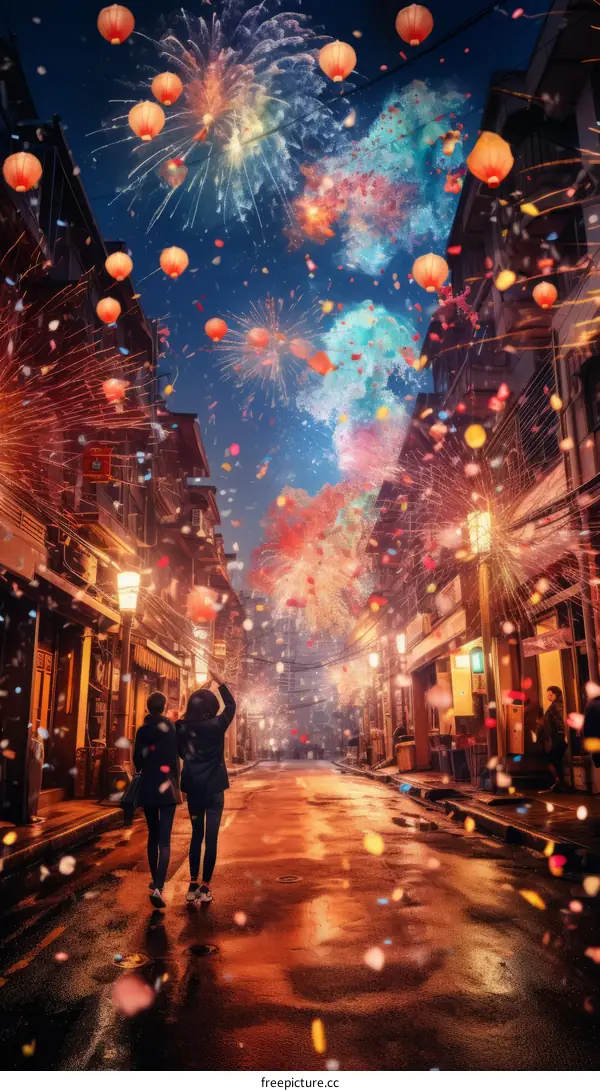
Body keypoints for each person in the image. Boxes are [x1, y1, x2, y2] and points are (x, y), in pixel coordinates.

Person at [176, 667, 236, 905]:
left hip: (194, 789)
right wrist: (221, 683)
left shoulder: (181, 727)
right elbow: (230, 706)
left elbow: (181, 752)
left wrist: (199, 691)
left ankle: (191, 885)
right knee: (211, 839)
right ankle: (205, 887)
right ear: (211, 709)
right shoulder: (217, 725)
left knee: (196, 836)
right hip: (214, 789)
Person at [133, 691, 181, 909]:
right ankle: (159, 886)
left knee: (153, 836)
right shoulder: (171, 728)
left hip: (149, 787)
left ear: (147, 707)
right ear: (163, 708)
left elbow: (137, 762)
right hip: (168, 787)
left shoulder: (143, 730)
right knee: (165, 840)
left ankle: (155, 883)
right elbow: (176, 758)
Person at [541, 685, 567, 791]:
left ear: (556, 694)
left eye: (550, 695)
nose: (549, 697)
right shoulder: (558, 705)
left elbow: (558, 722)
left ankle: (559, 782)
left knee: (552, 759)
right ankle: (559, 782)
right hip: (557, 736)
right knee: (556, 760)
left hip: (557, 736)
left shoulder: (557, 706)